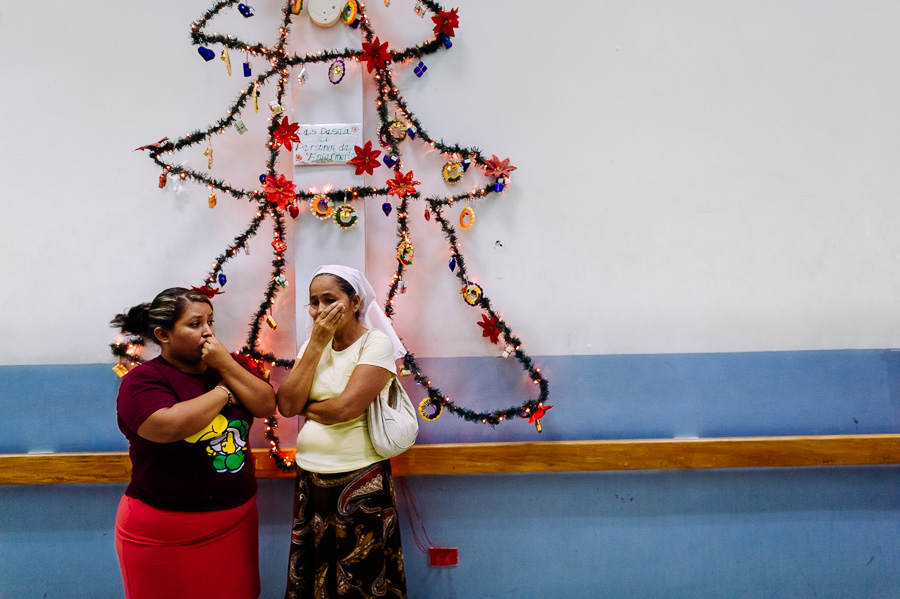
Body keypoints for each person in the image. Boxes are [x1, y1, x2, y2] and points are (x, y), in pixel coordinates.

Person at [110, 286, 276, 599]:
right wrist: (224, 391)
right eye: (195, 324)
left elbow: (265, 404)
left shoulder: (232, 365)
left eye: (211, 322)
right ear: (163, 334)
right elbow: (167, 425)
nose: (208, 332)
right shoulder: (143, 379)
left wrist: (226, 365)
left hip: (235, 523)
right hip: (163, 531)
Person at [277, 265, 408, 598]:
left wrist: (309, 409)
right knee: (315, 571)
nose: (320, 310)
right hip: (311, 478)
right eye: (314, 302)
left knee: (360, 578)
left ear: (354, 302)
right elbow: (288, 404)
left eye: (329, 299)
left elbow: (345, 409)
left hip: (360, 479)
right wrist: (317, 344)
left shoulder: (374, 344)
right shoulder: (312, 344)